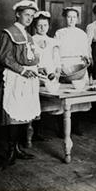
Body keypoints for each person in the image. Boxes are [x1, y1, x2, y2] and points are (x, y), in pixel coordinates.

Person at [0, 0, 40, 170]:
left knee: (24, 113)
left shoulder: (28, 36)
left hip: (28, 79)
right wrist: (22, 70)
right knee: (13, 115)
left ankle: (18, 149)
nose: (29, 18)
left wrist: (37, 69)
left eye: (32, 16)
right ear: (17, 14)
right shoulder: (8, 33)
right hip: (15, 78)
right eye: (26, 15)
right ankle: (11, 152)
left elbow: (31, 57)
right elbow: (4, 58)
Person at [29, 10, 61, 142]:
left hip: (51, 75)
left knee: (53, 101)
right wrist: (37, 68)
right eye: (39, 25)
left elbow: (57, 59)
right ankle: (36, 132)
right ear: (35, 26)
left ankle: (55, 129)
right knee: (36, 102)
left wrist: (57, 72)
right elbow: (29, 59)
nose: (42, 28)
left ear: (49, 26)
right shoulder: (31, 40)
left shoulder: (53, 41)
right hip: (36, 75)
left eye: (45, 25)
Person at [55, 7, 91, 85]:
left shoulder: (82, 34)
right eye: (69, 17)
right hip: (65, 65)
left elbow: (85, 51)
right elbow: (56, 52)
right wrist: (59, 66)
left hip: (79, 65)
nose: (71, 20)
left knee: (81, 87)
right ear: (65, 18)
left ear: (77, 19)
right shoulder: (59, 33)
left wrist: (86, 58)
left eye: (74, 17)